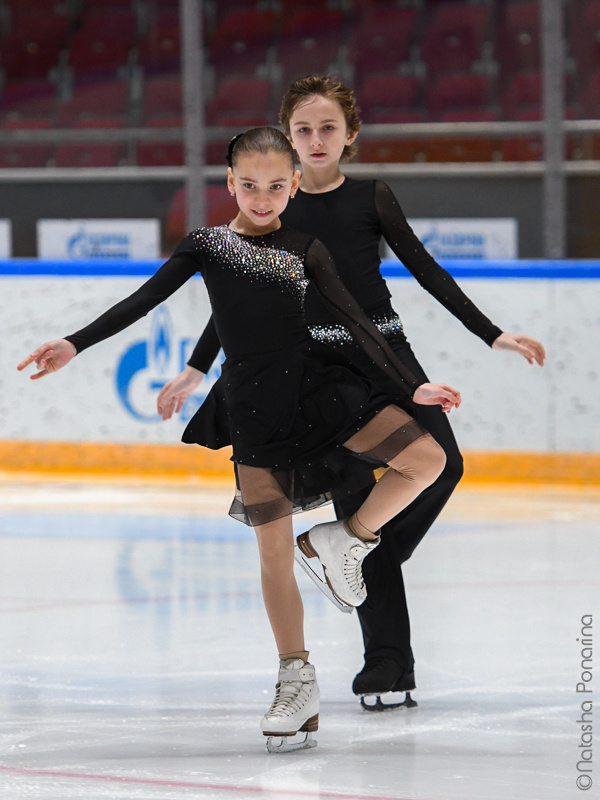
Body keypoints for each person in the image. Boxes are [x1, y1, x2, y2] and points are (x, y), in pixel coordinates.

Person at [18, 127, 461, 752]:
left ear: (294, 185)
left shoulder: (307, 247)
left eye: (276, 185)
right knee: (274, 555)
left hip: (319, 393)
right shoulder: (207, 244)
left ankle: (345, 538)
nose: (262, 196)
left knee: (428, 457)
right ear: (229, 183)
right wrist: (75, 343)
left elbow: (359, 326)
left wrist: (409, 386)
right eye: (248, 184)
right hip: (254, 411)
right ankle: (295, 680)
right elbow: (144, 300)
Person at [156, 76, 546, 711]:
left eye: (327, 129)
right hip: (319, 371)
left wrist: (492, 334)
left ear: (350, 136)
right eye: (303, 130)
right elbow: (233, 299)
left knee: (440, 469)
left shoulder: (371, 197)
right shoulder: (273, 205)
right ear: (286, 138)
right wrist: (200, 367)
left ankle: (354, 543)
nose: (315, 140)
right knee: (363, 494)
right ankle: (387, 662)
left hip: (387, 355)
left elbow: (427, 268)